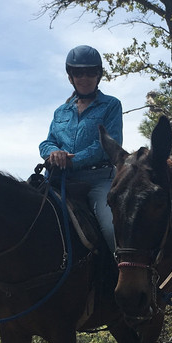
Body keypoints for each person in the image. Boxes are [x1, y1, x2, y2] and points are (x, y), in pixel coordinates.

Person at [39, 44, 123, 253]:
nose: (84, 77)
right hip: (59, 179)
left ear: (98, 75)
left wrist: (72, 160)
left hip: (98, 180)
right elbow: (47, 142)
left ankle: (125, 272)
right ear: (71, 77)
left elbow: (107, 146)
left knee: (112, 229)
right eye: (78, 73)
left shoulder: (111, 105)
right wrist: (53, 153)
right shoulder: (61, 111)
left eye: (90, 72)